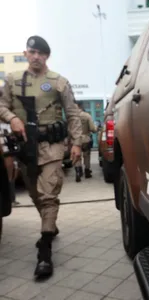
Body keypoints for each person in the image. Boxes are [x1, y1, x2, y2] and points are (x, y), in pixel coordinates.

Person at [0, 36, 82, 279]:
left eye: (42, 53)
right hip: (26, 147)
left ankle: (44, 251)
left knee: (48, 195)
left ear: (47, 56)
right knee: (36, 194)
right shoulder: (12, 80)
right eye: (33, 52)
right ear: (26, 53)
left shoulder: (59, 82)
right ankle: (50, 226)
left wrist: (76, 143)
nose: (37, 57)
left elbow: (73, 114)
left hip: (52, 146)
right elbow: (1, 105)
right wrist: (12, 118)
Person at [75, 102, 96, 182]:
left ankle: (78, 172)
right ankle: (87, 172)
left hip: (76, 139)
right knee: (86, 156)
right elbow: (92, 129)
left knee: (77, 156)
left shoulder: (72, 117)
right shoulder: (87, 116)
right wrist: (96, 129)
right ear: (81, 107)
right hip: (86, 139)